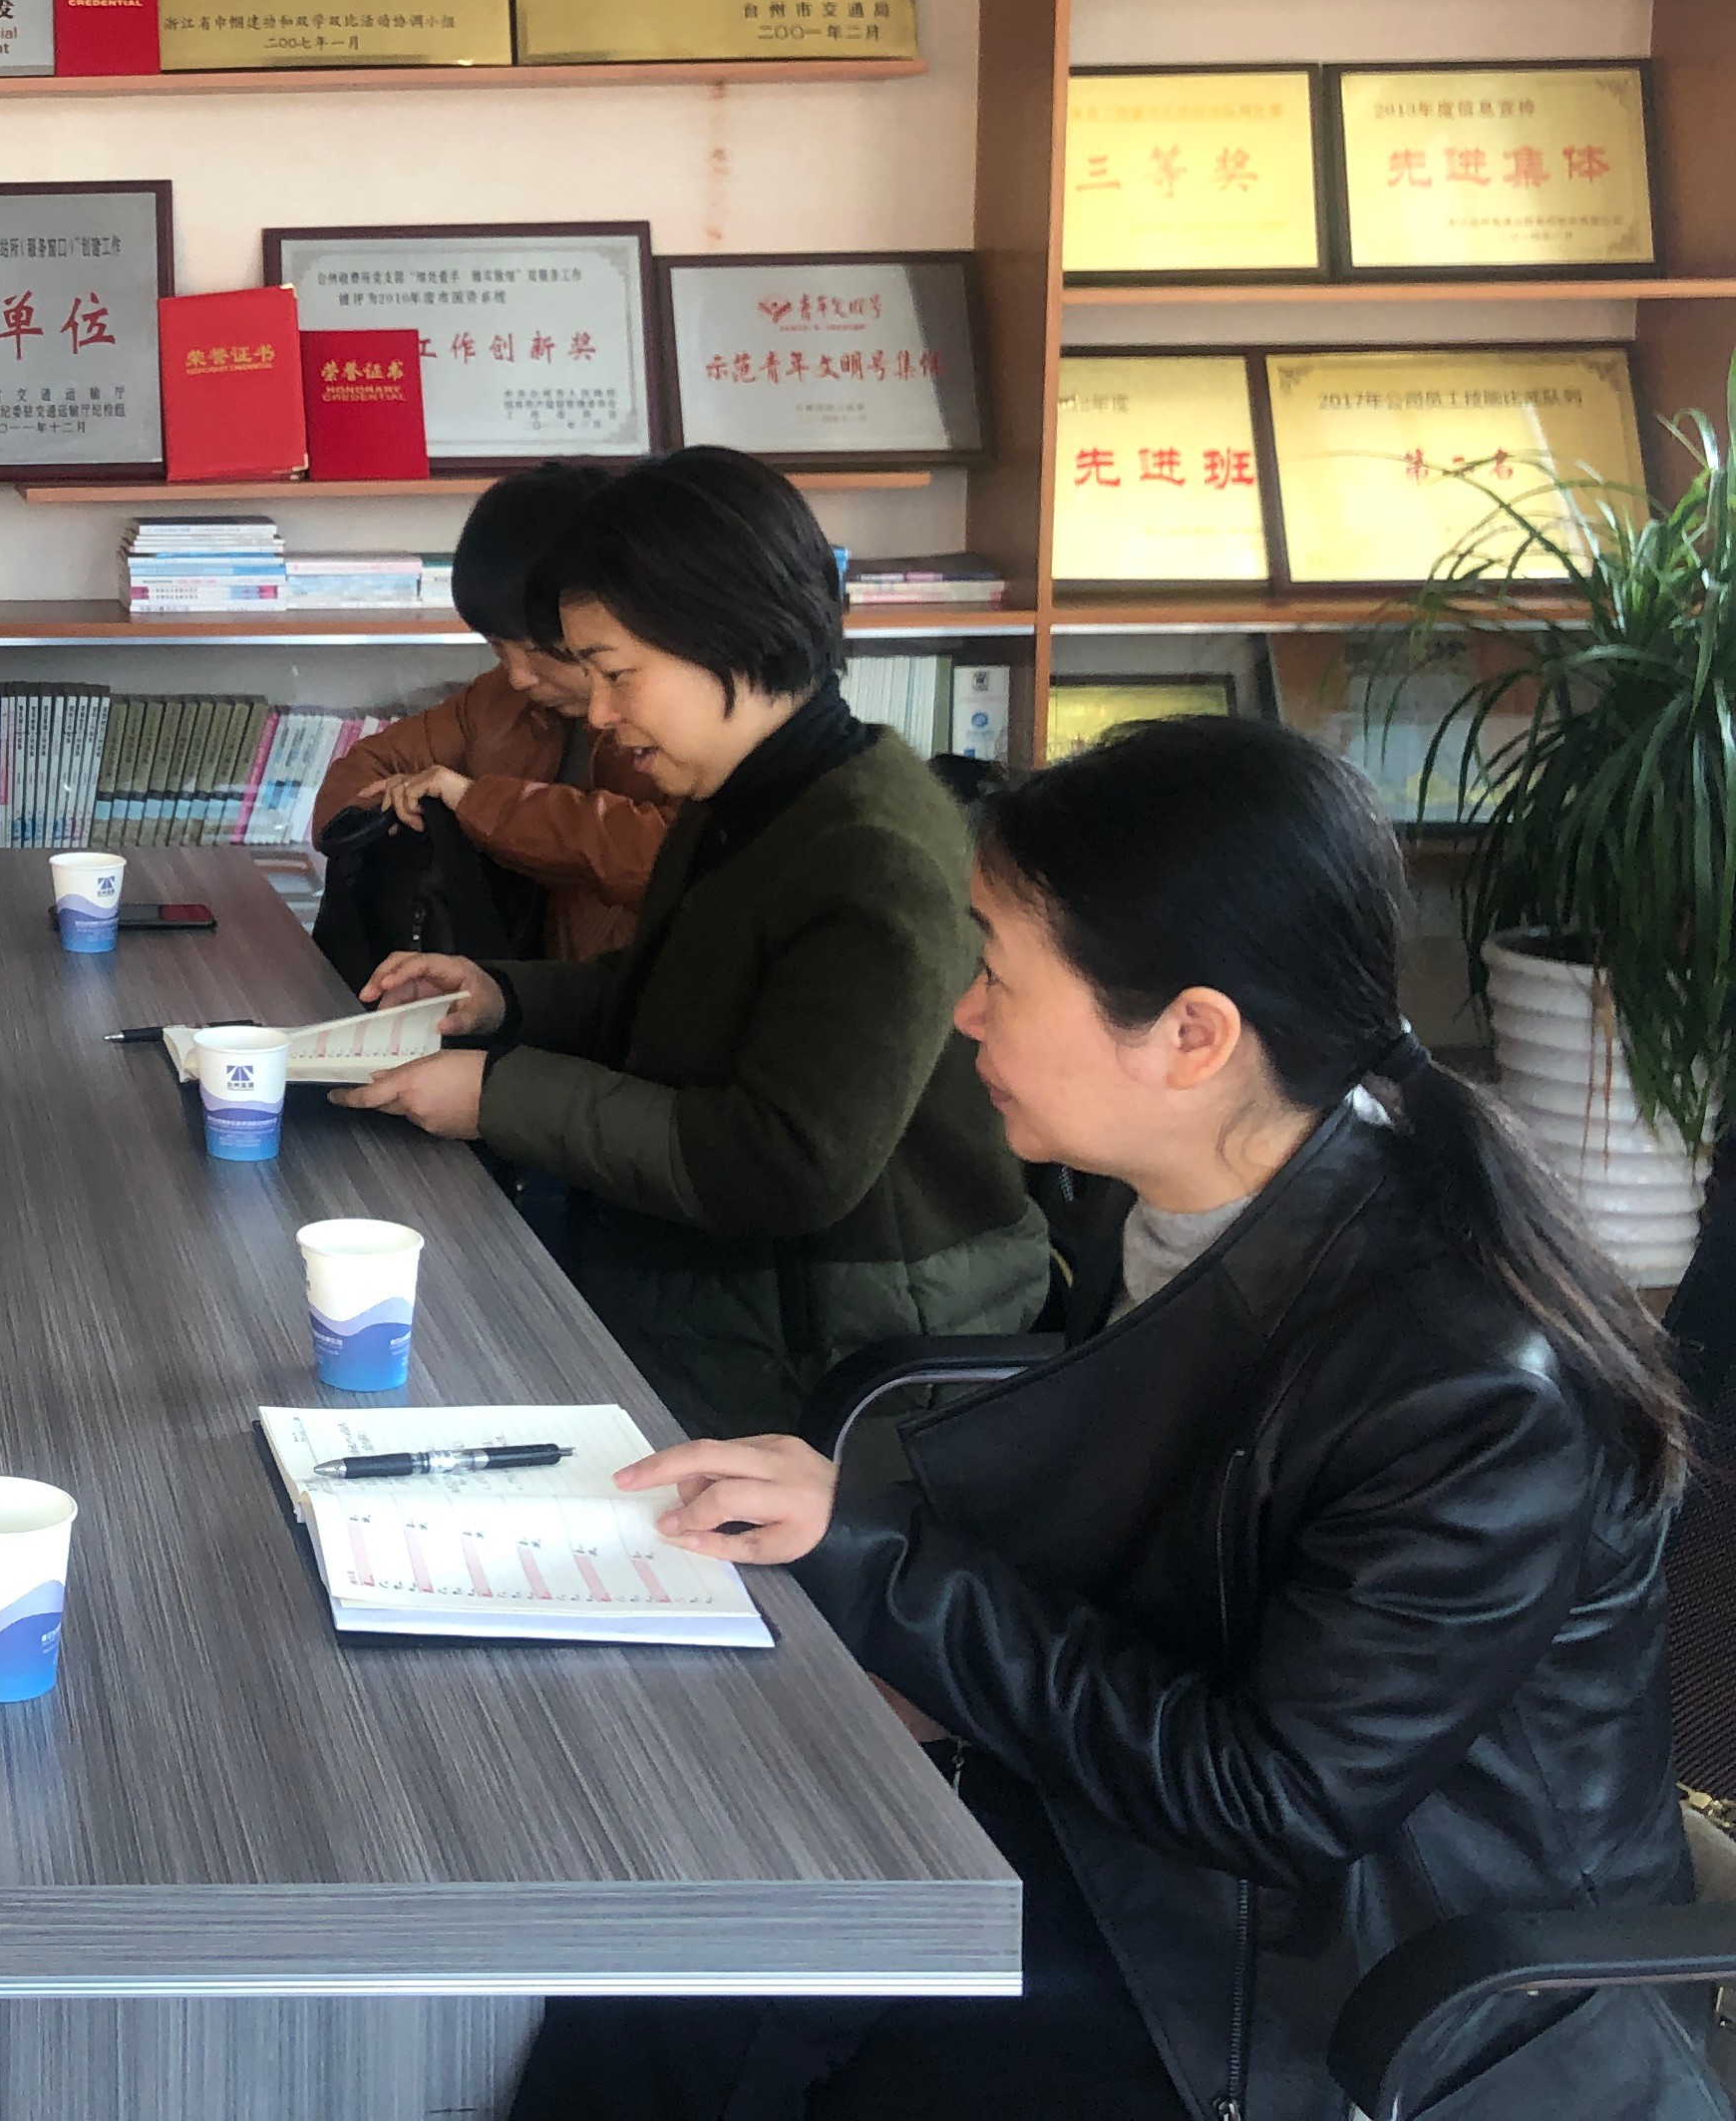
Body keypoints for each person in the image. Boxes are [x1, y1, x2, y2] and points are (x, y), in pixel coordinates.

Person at [526, 715, 1716, 2121]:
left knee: (718, 1967)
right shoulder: (1189, 1199)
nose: (964, 1013)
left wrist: (884, 1570)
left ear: (1193, 1036)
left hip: (1364, 1984)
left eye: (998, 973)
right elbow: (1178, 1560)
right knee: (683, 1891)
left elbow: (1275, 1798)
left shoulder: (1474, 1385)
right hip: (1179, 1845)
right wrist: (906, 1625)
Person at [344, 447, 1043, 1435]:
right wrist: (500, 997)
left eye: (617, 674)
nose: (599, 713)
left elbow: (784, 1164)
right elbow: (668, 994)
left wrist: (498, 1095)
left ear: (730, 634)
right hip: (722, 1295)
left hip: (833, 1351)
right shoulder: (749, 796)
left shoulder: (870, 852)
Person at [308, 462, 672, 962]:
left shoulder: (669, 715)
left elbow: (666, 857)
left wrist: (477, 805)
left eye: (539, 650)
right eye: (498, 647)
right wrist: (406, 813)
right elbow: (357, 775)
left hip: (623, 994)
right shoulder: (499, 699)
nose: (518, 676)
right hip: (499, 979)